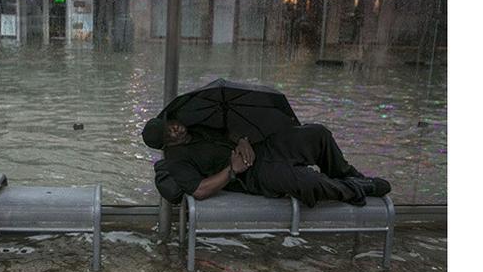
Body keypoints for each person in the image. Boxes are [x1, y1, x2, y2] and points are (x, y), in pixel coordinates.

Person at [141, 118, 390, 208]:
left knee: (317, 134)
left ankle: (349, 175)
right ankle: (358, 189)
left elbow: (230, 131)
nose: (174, 128)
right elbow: (200, 189)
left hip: (262, 149)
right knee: (307, 181)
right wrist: (232, 170)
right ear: (166, 144)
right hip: (252, 175)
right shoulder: (176, 161)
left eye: (170, 123)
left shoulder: (198, 126)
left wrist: (242, 140)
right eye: (168, 133)